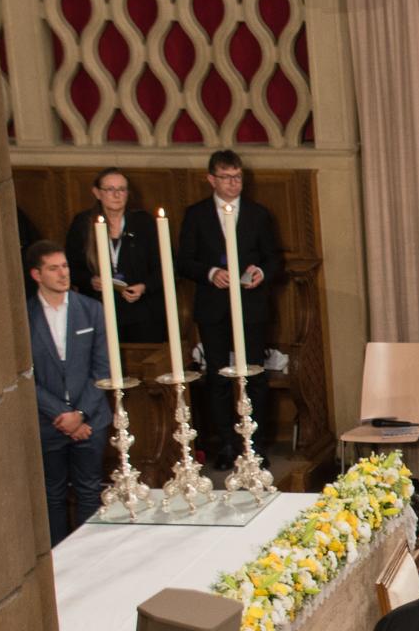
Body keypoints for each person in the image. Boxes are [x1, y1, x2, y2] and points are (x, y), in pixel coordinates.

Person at [175, 149, 282, 466]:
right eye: (226, 177)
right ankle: (225, 444)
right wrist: (210, 273)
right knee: (219, 377)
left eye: (238, 177)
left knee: (255, 376)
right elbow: (185, 261)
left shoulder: (258, 214)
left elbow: (274, 258)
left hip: (250, 306)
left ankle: (255, 444)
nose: (233, 183)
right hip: (214, 307)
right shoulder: (196, 215)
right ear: (212, 179)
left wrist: (261, 273)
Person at [26, 242, 112, 544]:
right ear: (37, 274)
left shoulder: (91, 310)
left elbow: (103, 370)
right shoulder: (24, 316)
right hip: (49, 422)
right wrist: (61, 415)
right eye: (54, 268)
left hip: (90, 417)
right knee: (53, 495)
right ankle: (59, 565)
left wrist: (80, 414)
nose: (63, 273)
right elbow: (26, 377)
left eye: (64, 266)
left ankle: (90, 556)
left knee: (90, 490)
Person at [62, 167, 166, 343]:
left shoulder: (143, 222)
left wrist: (144, 286)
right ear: (97, 193)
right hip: (98, 310)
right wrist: (91, 280)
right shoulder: (83, 223)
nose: (116, 195)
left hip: (141, 313)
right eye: (110, 189)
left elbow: (165, 266)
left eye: (121, 190)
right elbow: (70, 267)